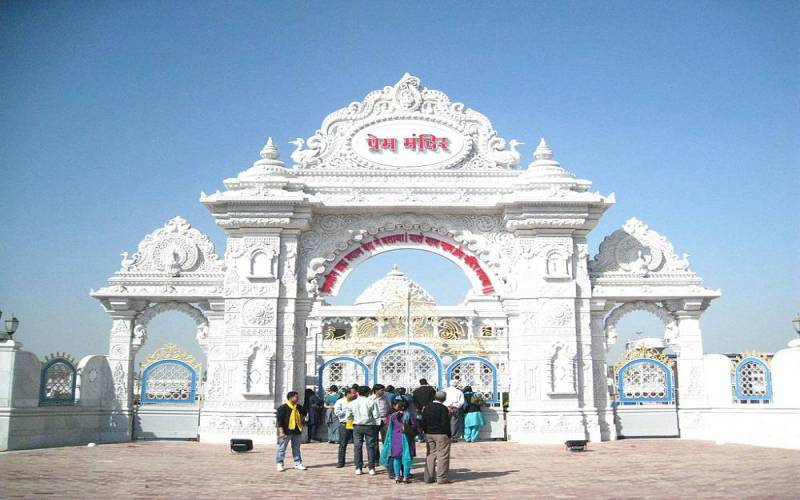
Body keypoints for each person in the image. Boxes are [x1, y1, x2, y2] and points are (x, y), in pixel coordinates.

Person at [379, 398, 420, 483]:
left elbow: (390, 427)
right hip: (406, 439)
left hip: (395, 439)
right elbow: (415, 426)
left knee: (396, 458)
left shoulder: (393, 416)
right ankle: (405, 476)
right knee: (407, 458)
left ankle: (397, 476)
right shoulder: (409, 415)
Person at [345, 385, 380, 475]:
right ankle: (371, 468)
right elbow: (376, 415)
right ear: (368, 393)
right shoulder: (371, 402)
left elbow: (348, 416)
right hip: (369, 425)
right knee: (371, 446)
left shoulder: (352, 403)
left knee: (357, 447)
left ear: (358, 392)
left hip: (357, 425)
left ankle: (358, 468)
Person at [422, 391, 452, 484]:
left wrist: (425, 431)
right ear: (444, 398)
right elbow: (445, 423)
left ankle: (428, 477)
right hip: (441, 434)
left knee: (430, 455)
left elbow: (423, 421)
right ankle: (441, 478)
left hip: (429, 433)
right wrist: (448, 434)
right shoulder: (443, 408)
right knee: (442, 456)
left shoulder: (427, 407)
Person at [275, 391, 308, 472]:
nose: (298, 398)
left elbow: (304, 413)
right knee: (282, 448)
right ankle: (280, 463)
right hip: (286, 431)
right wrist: (281, 432)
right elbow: (279, 421)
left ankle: (298, 463)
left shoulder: (298, 407)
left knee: (296, 448)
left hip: (297, 431)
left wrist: (302, 420)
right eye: (296, 397)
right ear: (290, 398)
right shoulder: (282, 408)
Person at [334, 386, 358, 467]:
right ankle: (341, 462)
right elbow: (337, 412)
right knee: (343, 444)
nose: (355, 395)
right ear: (348, 394)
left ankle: (358, 461)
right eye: (353, 393)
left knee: (357, 444)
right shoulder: (340, 402)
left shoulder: (356, 401)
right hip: (345, 424)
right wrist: (347, 410)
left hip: (355, 424)